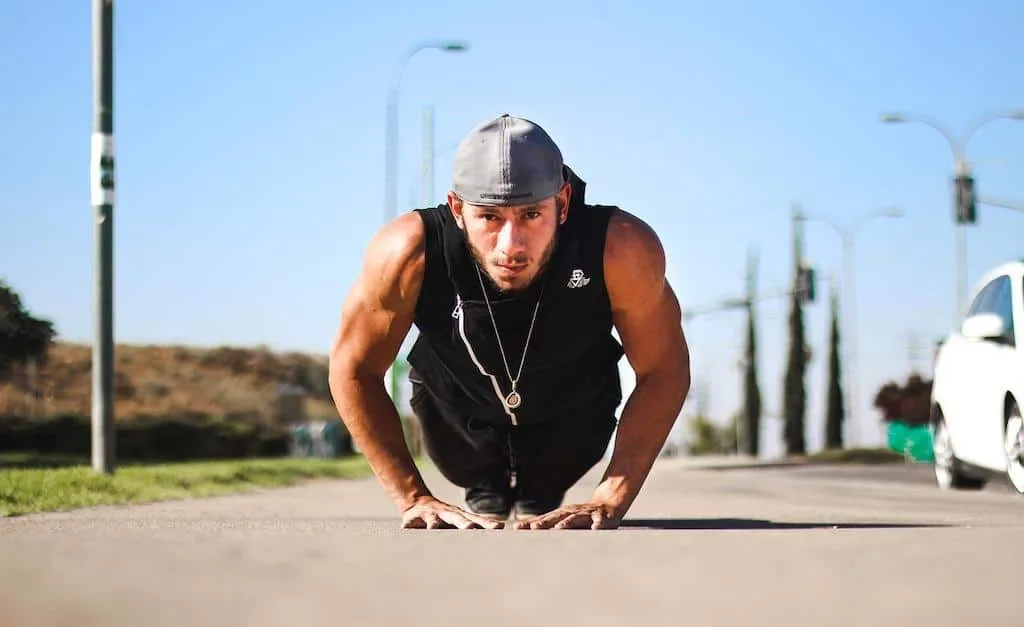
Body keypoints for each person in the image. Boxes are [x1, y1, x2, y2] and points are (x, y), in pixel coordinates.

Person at [329, 113, 691, 530]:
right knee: (479, 479)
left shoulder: (620, 248)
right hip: (458, 425)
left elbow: (663, 368)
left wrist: (611, 497)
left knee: (546, 484)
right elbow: (354, 368)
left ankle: (540, 486)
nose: (511, 246)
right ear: (457, 208)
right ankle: (487, 484)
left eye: (531, 215)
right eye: (490, 217)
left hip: (572, 421)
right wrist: (412, 498)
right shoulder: (407, 252)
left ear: (563, 203)